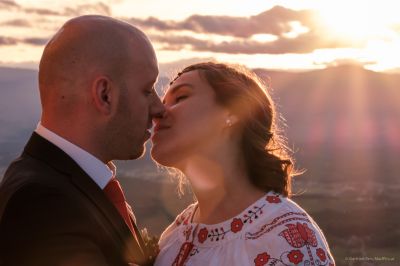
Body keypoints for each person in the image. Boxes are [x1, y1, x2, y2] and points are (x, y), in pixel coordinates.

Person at [0, 15, 165, 265]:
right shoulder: (43, 205)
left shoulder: (65, 185)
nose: (159, 107)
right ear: (105, 95)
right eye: (147, 90)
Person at [151, 62, 335, 265]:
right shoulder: (176, 235)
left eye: (181, 97)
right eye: (163, 101)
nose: (157, 112)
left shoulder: (287, 240)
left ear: (232, 113)